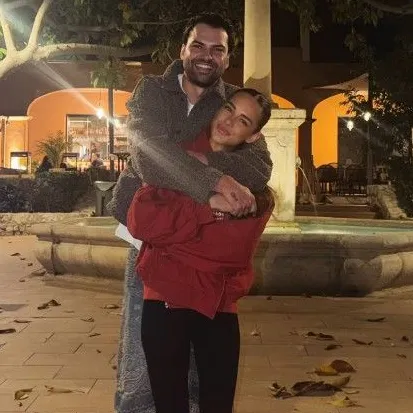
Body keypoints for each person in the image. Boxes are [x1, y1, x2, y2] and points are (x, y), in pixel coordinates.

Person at [107, 13, 273, 413]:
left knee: (203, 371)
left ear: (227, 58)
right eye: (198, 45)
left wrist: (198, 160)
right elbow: (147, 156)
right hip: (146, 236)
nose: (206, 55)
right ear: (182, 49)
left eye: (217, 49)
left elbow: (259, 168)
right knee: (140, 364)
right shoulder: (153, 91)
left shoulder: (230, 102)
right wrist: (214, 185)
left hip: (199, 247)